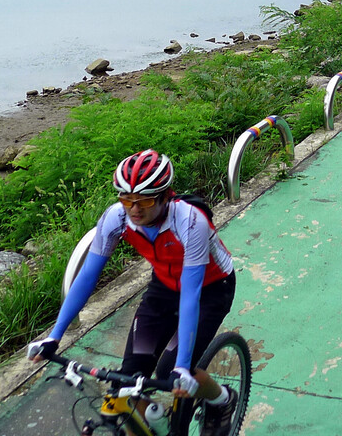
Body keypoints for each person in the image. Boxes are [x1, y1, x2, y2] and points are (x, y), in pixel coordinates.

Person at [28, 150, 239, 436]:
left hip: (210, 289)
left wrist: (182, 368)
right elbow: (88, 275)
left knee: (168, 372)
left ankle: (221, 400)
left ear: (166, 196)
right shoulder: (116, 218)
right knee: (126, 384)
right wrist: (55, 335)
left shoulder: (190, 222)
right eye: (126, 199)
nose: (134, 209)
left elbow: (191, 297)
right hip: (164, 286)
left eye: (145, 200)